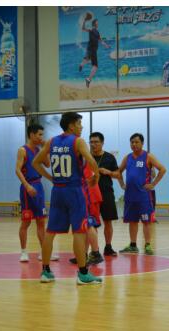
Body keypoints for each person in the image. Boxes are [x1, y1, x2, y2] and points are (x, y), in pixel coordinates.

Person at [32, 112, 102, 285]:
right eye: (79, 123)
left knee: (50, 232)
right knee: (79, 231)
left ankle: (45, 271)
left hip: (57, 191)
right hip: (74, 190)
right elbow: (92, 161)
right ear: (71, 125)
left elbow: (35, 163)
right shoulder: (78, 141)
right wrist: (96, 176)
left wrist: (50, 178)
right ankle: (83, 273)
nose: (81, 127)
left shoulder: (51, 141)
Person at [115, 133, 167, 255]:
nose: (134, 144)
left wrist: (153, 184)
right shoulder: (127, 158)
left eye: (136, 142)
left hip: (144, 196)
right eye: (132, 142)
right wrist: (122, 184)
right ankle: (133, 245)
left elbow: (162, 169)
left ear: (142, 143)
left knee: (146, 221)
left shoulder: (148, 156)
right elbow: (118, 171)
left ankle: (147, 245)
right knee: (132, 221)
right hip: (130, 196)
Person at [16, 124, 58, 262]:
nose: (41, 137)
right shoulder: (22, 150)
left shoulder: (39, 150)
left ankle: (44, 252)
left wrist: (46, 149)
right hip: (27, 187)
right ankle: (23, 252)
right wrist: (27, 186)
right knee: (26, 222)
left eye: (42, 135)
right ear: (32, 134)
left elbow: (47, 164)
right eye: (39, 134)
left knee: (41, 221)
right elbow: (17, 170)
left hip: (39, 186)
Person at [89, 132, 122, 256]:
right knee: (91, 223)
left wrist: (109, 172)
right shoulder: (86, 157)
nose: (93, 144)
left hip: (106, 192)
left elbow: (118, 174)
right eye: (91, 142)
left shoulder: (109, 157)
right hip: (90, 194)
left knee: (108, 221)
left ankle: (108, 247)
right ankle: (94, 250)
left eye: (96, 142)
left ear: (102, 143)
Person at [69, 159, 104, 265]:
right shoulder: (83, 160)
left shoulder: (82, 161)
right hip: (88, 195)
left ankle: (95, 253)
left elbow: (88, 179)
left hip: (89, 196)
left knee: (90, 224)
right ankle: (84, 254)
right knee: (86, 226)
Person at [78, 18, 111, 88]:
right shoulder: (91, 30)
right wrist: (84, 21)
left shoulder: (98, 32)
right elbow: (83, 29)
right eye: (97, 22)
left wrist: (106, 45)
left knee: (95, 67)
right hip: (90, 49)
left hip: (94, 51)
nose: (98, 23)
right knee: (87, 59)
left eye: (98, 22)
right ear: (94, 23)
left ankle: (88, 79)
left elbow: (101, 41)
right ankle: (81, 65)